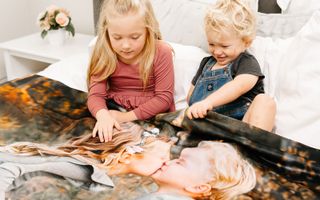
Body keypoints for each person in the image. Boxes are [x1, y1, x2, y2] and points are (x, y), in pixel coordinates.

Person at [0, 123, 256, 200]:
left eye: (177, 161)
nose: (168, 161)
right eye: (167, 155)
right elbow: (17, 170)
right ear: (132, 149)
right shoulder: (89, 170)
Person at [87, 0, 175, 143]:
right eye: (117, 37)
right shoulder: (103, 50)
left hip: (152, 112)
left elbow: (164, 99)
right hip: (115, 109)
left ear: (148, 30)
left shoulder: (161, 51)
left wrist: (124, 117)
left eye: (135, 37)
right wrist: (104, 116)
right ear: (107, 31)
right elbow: (95, 95)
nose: (126, 45)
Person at [186, 0, 276, 132]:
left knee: (265, 102)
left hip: (239, 133)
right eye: (211, 44)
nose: (217, 51)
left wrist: (208, 102)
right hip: (205, 128)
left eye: (224, 46)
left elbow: (238, 87)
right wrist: (195, 108)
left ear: (246, 42)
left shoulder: (245, 62)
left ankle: (252, 149)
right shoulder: (206, 64)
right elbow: (191, 97)